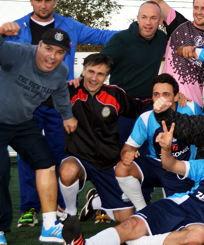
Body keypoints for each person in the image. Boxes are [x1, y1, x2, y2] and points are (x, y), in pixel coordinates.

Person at [0, 0, 117, 228]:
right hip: (26, 103)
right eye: (38, 0)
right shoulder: (17, 27)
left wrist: (135, 31)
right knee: (27, 155)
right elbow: (3, 56)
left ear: (55, 1)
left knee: (59, 153)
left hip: (59, 102)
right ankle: (29, 208)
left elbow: (102, 35)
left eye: (48, 0)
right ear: (31, 1)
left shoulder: (70, 26)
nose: (43, 5)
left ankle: (57, 203)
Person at [61, 129, 204, 245]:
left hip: (202, 222)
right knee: (129, 226)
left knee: (198, 238)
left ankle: (132, 243)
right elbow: (171, 165)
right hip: (177, 206)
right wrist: (166, 149)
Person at [0, 23, 77, 245]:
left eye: (60, 52)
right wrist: (0, 32)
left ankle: (49, 226)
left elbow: (61, 92)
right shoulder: (19, 53)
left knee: (47, 163)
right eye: (48, 48)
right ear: (38, 45)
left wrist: (67, 115)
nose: (52, 57)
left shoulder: (61, 71)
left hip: (23, 123)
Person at [57, 54, 153, 223]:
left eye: (100, 74)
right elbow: (42, 93)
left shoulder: (114, 94)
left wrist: (169, 99)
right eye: (91, 72)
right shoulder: (69, 91)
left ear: (106, 77)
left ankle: (95, 201)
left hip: (108, 163)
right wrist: (66, 114)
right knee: (67, 170)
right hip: (80, 158)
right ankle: (70, 214)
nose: (94, 78)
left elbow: (140, 106)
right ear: (83, 71)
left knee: (127, 220)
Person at [115, 74, 203, 212]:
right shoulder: (146, 117)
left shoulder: (191, 108)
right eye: (156, 94)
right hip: (156, 164)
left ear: (176, 96)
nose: (160, 99)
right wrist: (127, 154)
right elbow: (128, 147)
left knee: (178, 216)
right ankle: (143, 211)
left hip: (182, 167)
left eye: (166, 94)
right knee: (122, 167)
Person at [99, 1, 168, 147]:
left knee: (146, 147)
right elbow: (100, 63)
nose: (148, 22)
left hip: (147, 104)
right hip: (122, 105)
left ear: (160, 21)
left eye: (153, 18)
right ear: (137, 18)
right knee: (119, 147)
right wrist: (82, 79)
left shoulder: (162, 39)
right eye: (144, 17)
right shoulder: (121, 39)